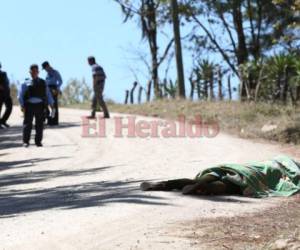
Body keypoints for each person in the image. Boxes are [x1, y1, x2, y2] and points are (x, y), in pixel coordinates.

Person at [140, 155, 300, 198]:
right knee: (228, 186)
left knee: (213, 176)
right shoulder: (289, 167)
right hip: (249, 175)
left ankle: (163, 184)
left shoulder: (271, 161)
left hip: (237, 168)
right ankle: (204, 187)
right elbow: (292, 179)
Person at [18, 64, 54, 147]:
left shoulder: (43, 82)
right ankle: (26, 142)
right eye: (32, 71)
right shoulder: (25, 82)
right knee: (27, 124)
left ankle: (38, 141)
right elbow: (20, 95)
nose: (34, 73)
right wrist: (22, 106)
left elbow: (48, 94)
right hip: (29, 106)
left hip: (40, 106)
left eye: (36, 71)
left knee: (40, 124)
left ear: (38, 72)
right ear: (29, 72)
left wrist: (52, 106)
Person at [42, 61, 63, 126]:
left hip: (54, 89)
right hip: (47, 89)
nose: (45, 70)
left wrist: (57, 88)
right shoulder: (47, 74)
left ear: (48, 66)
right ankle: (49, 119)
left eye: (45, 68)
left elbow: (60, 81)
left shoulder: (55, 72)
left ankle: (54, 121)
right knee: (45, 105)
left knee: (54, 106)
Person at [0, 62, 13, 129]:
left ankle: (3, 121)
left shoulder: (4, 73)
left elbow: (7, 82)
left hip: (6, 93)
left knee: (10, 107)